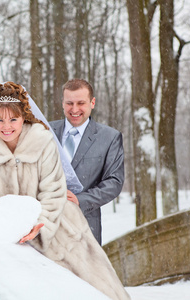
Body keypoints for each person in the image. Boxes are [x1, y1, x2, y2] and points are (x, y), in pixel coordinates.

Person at [0, 81, 130, 300]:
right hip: (15, 237)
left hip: (59, 231)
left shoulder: (43, 141)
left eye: (13, 119)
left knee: (95, 291)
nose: (7, 126)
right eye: (0, 120)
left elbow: (53, 193)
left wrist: (39, 228)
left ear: (23, 117)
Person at [49, 79, 125, 245]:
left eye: (81, 103)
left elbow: (114, 182)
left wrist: (80, 200)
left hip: (84, 227)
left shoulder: (110, 137)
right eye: (69, 103)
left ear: (92, 102)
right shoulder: (45, 131)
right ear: (62, 103)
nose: (74, 109)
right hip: (45, 226)